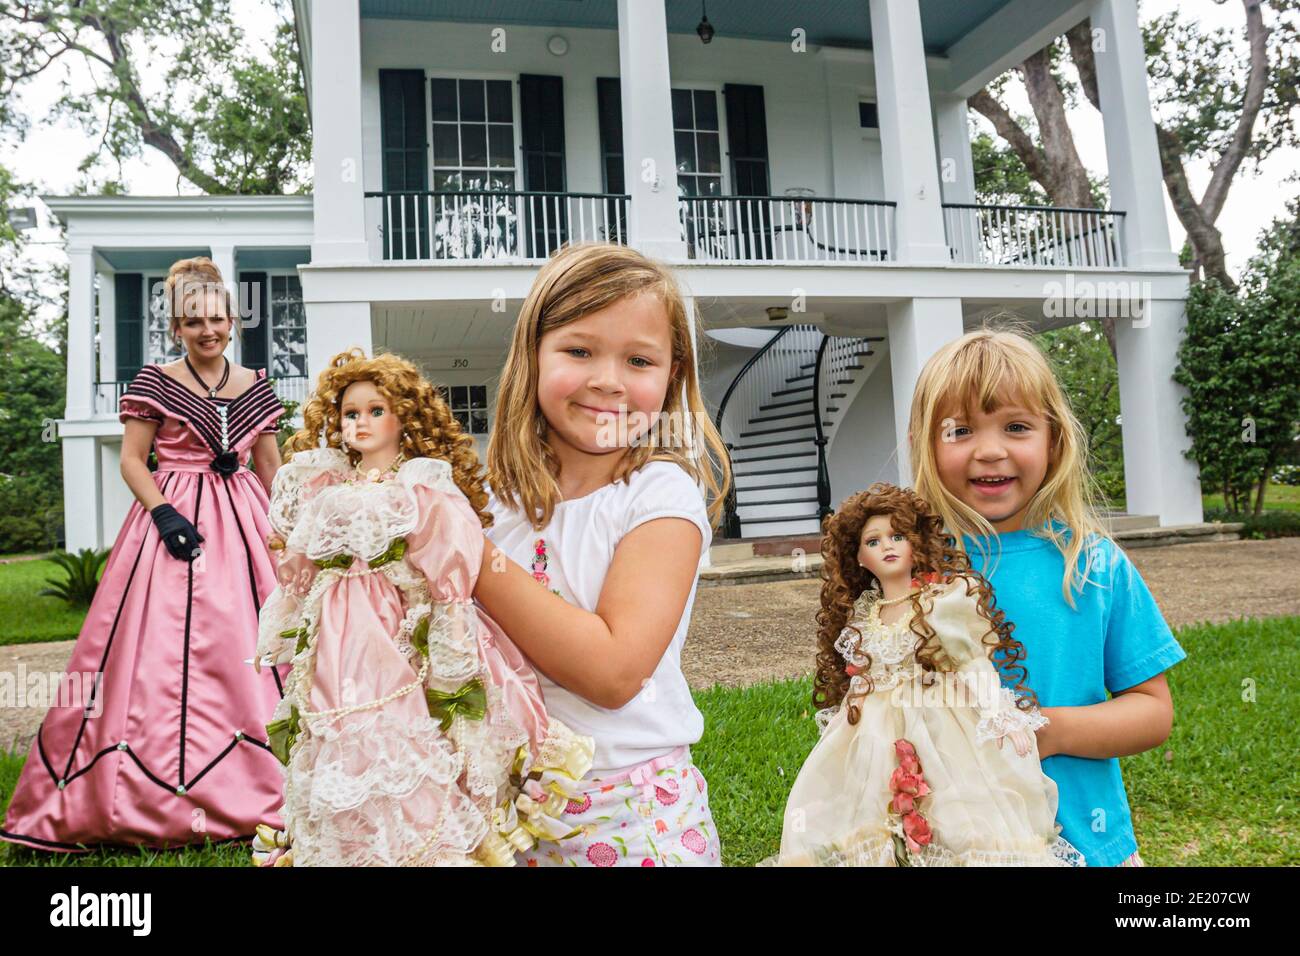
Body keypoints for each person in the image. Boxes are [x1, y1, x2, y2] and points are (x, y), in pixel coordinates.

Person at [250, 350, 593, 866]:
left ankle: (418, 843)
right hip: (335, 640)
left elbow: (448, 571)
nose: (360, 423)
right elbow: (300, 566)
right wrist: (292, 613)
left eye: (374, 411)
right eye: (349, 413)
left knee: (404, 733)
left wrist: (450, 642)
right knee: (335, 733)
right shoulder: (322, 484)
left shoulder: (419, 487)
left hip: (391, 632)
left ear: (402, 417)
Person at [1, 256, 288, 852]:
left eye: (216, 318)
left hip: (245, 521)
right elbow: (134, 459)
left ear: (232, 320)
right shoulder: (154, 381)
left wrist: (289, 524)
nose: (207, 330)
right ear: (176, 327)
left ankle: (265, 783)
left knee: (254, 637)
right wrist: (163, 511)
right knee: (158, 646)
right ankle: (139, 790)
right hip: (172, 515)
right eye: (192, 321)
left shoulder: (256, 385)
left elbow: (271, 466)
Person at [472, 243, 732, 866]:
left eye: (638, 359)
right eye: (579, 350)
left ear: (672, 376)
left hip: (630, 813)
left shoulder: (661, 497)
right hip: (508, 807)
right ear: (531, 355)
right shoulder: (491, 500)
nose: (608, 380)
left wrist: (473, 557)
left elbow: (613, 672)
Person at [907, 327, 1186, 866]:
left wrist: (1050, 732)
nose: (990, 451)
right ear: (926, 443)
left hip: (1082, 841)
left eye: (1016, 427)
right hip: (948, 845)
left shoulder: (1094, 565)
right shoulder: (915, 570)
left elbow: (1153, 713)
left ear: (1053, 439)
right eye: (960, 430)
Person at [776, 483, 1083, 866]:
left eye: (898, 535)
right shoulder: (862, 614)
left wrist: (998, 713)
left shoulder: (942, 601)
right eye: (873, 541)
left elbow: (971, 660)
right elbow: (862, 674)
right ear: (857, 557)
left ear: (915, 543)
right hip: (875, 734)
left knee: (954, 812)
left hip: (940, 721)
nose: (887, 546)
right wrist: (846, 719)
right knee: (868, 815)